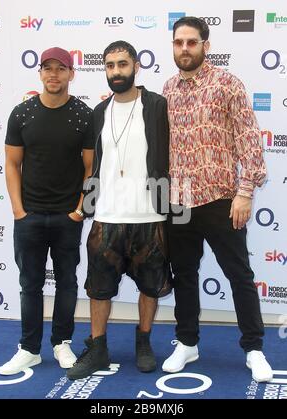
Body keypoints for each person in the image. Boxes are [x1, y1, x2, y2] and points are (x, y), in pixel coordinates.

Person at [162, 17, 273, 383]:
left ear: (205, 45)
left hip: (222, 198)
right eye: (179, 43)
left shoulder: (228, 84)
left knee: (239, 275)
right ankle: (187, 342)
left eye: (192, 42)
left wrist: (245, 192)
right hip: (178, 199)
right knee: (185, 274)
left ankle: (254, 348)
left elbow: (249, 138)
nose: (184, 49)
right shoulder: (168, 89)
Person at [67, 40, 171, 380]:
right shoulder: (99, 112)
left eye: (122, 64)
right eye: (110, 66)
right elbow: (93, 165)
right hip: (107, 215)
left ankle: (144, 341)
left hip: (148, 214)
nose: (116, 71)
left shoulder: (157, 105)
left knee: (150, 285)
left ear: (136, 66)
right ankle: (98, 348)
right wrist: (86, 205)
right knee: (98, 287)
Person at [0, 47, 94, 375]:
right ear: (40, 73)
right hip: (30, 217)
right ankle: (29, 349)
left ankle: (61, 343)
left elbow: (91, 170)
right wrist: (18, 210)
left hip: (68, 217)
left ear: (71, 73)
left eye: (61, 69)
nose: (54, 74)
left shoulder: (84, 115)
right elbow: (12, 164)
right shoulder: (21, 113)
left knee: (67, 282)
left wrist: (81, 211)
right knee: (30, 284)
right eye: (47, 68)